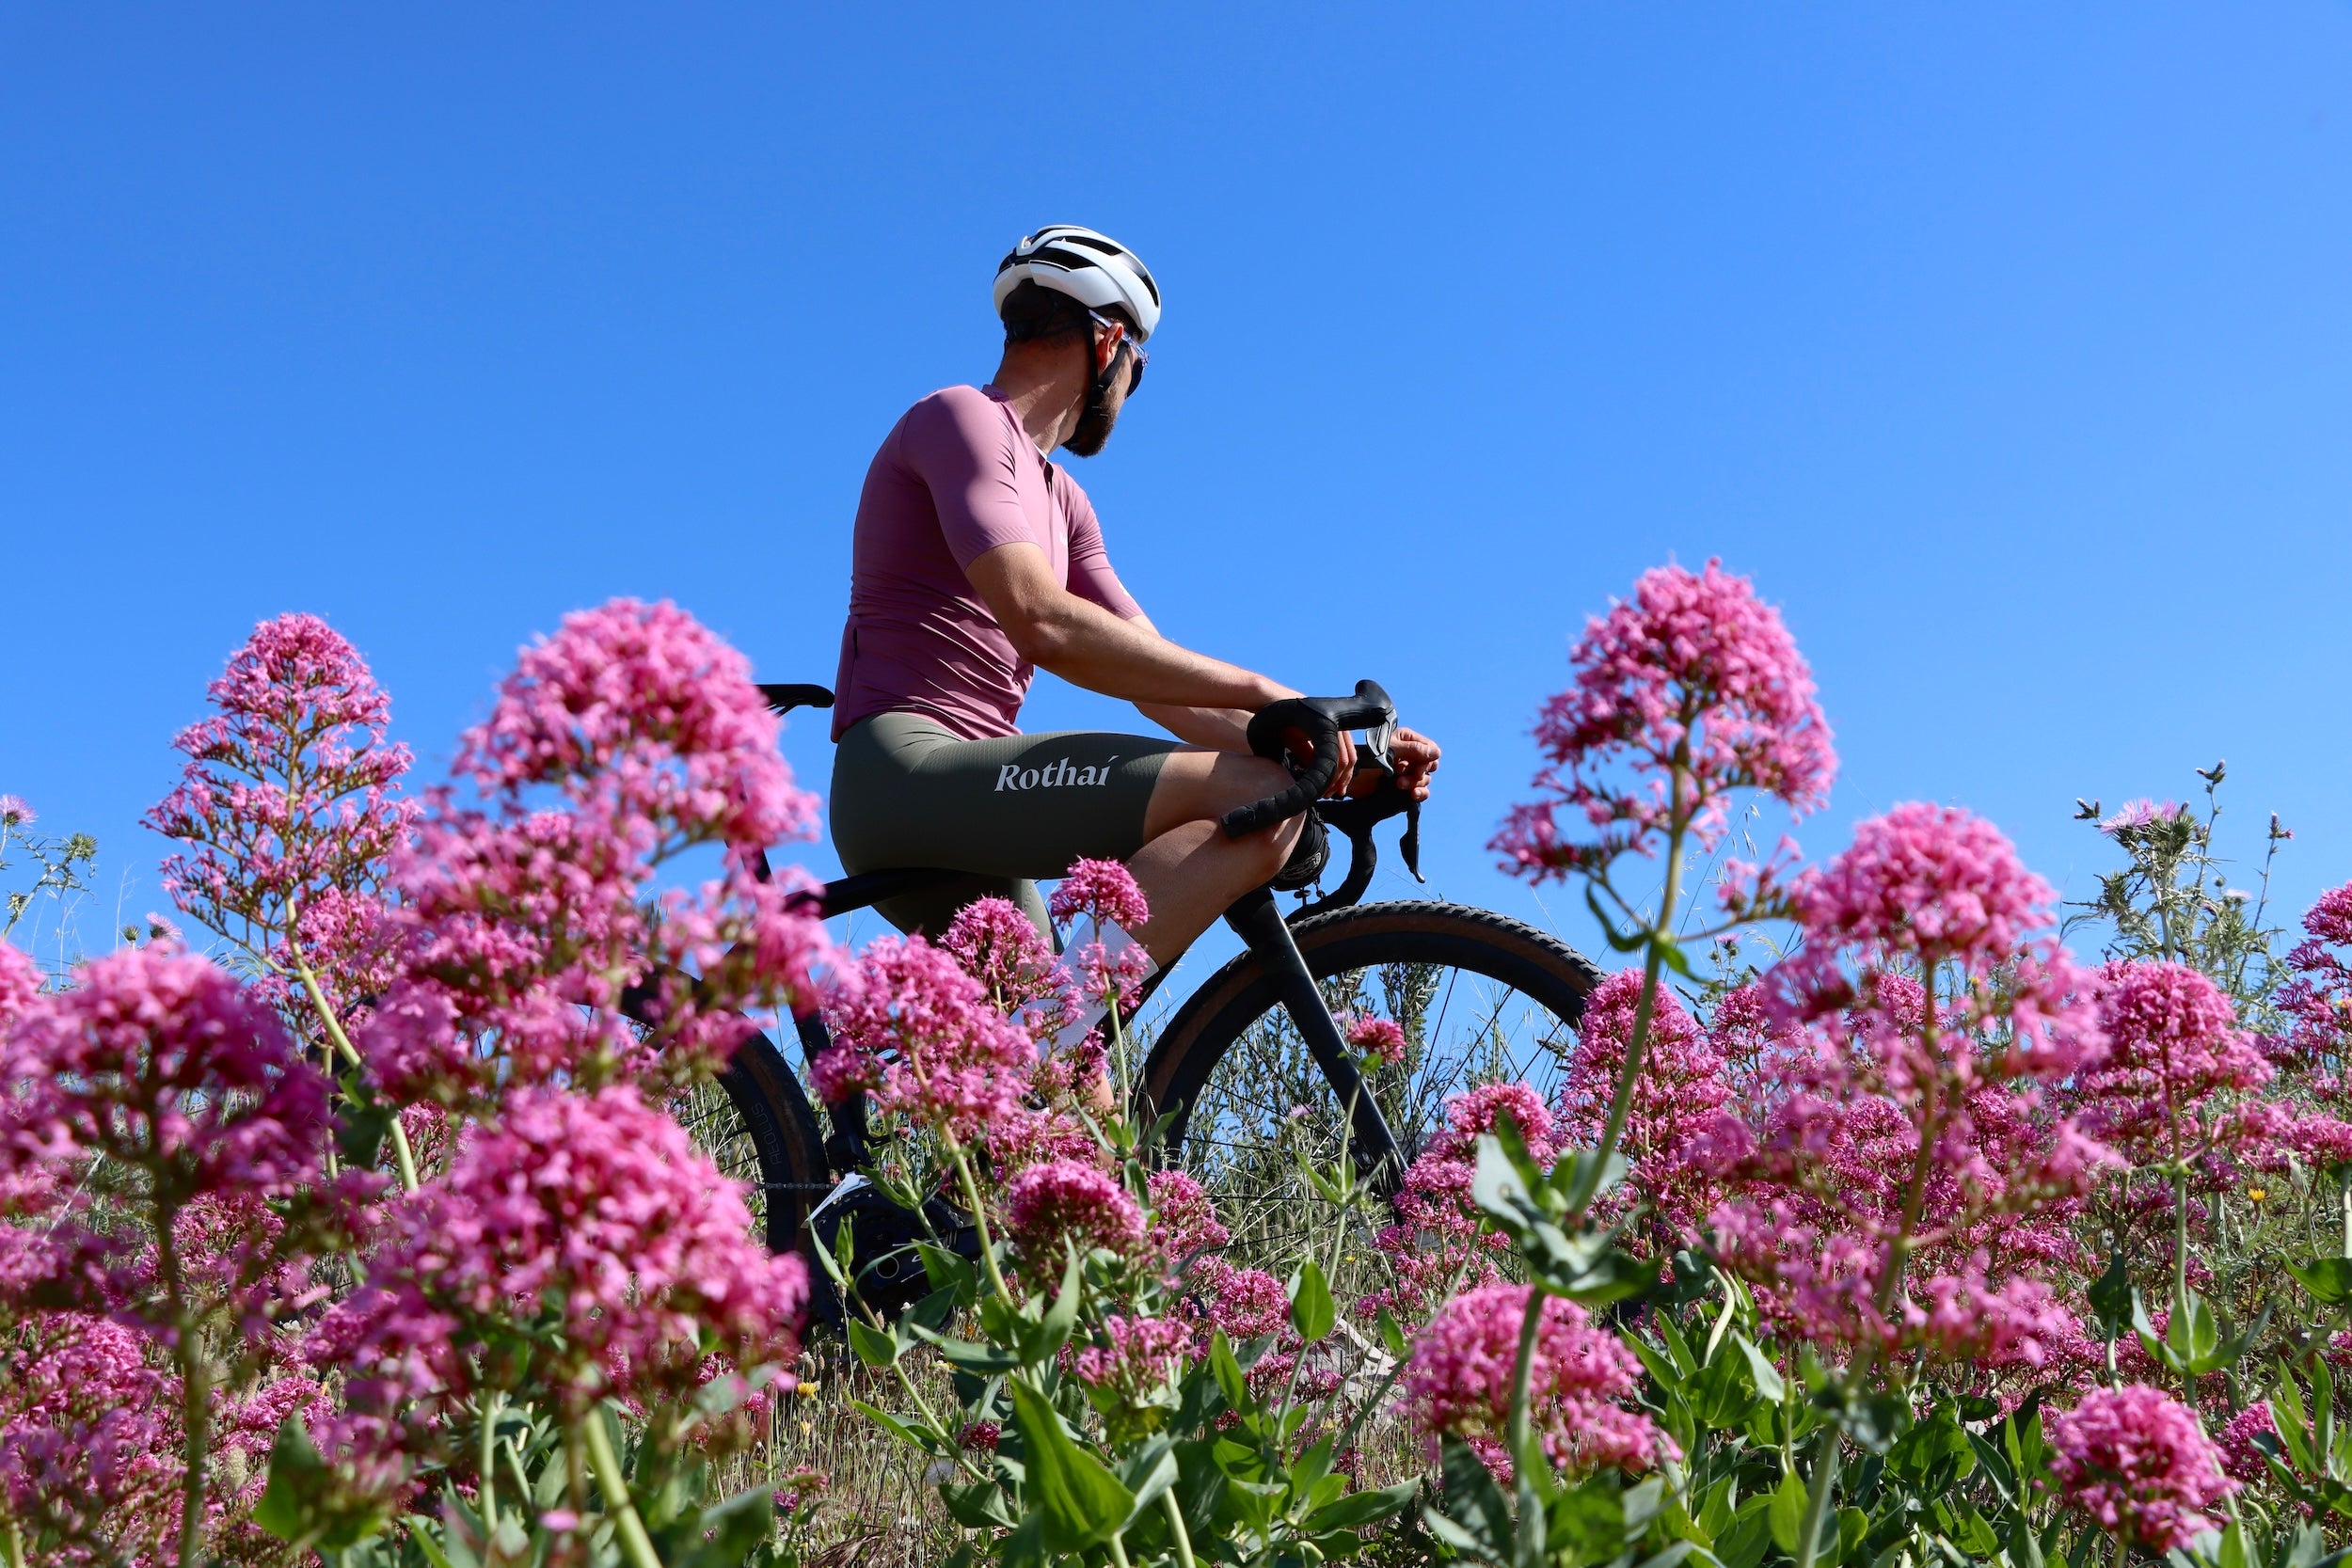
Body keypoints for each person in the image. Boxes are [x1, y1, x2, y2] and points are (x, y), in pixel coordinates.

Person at [828, 224, 1438, 1032]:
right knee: (1258, 799)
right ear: (1109, 340)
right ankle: (1047, 1044)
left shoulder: (1065, 503)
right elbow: (1042, 620)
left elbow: (1157, 680)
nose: (1129, 387)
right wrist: (1271, 696)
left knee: (1072, 1100)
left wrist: (1342, 757)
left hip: (977, 812)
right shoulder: (961, 420)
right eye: (1138, 372)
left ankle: (1003, 1094)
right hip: (904, 775)